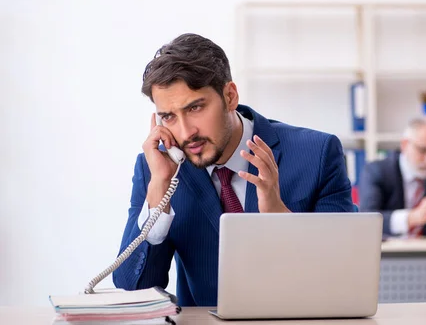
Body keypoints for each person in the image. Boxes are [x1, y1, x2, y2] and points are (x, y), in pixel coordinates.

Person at [113, 33, 354, 306]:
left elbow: (344, 276)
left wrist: (279, 217)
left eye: (195, 108)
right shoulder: (157, 171)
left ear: (230, 96)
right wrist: (159, 190)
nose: (185, 132)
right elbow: (133, 290)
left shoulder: (317, 154)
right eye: (169, 116)